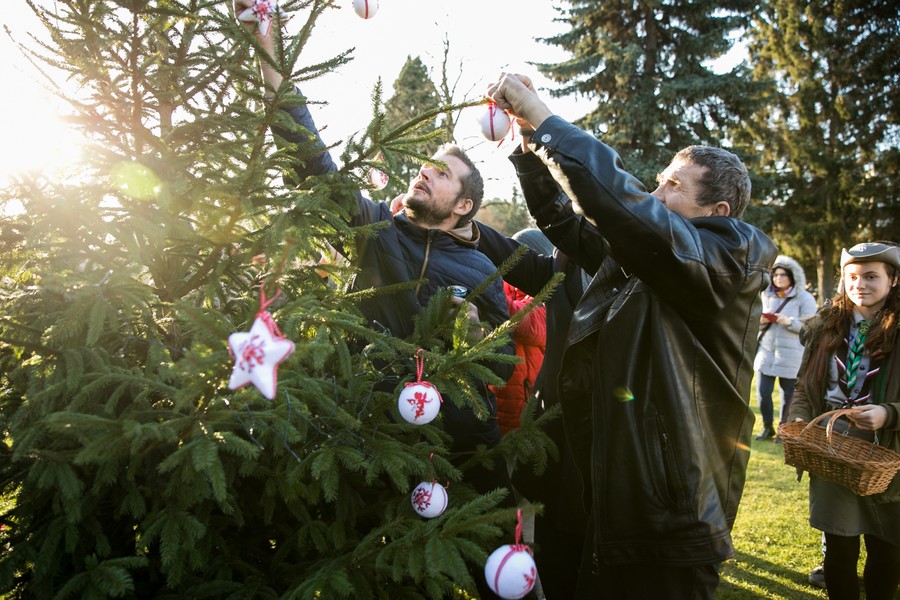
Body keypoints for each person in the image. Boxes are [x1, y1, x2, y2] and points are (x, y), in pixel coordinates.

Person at [484, 73, 778, 599]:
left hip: (672, 519)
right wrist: (530, 151)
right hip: (620, 505)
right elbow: (569, 226)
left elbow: (628, 210)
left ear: (718, 212)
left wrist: (548, 120)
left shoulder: (732, 257)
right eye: (660, 179)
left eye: (674, 185)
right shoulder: (653, 259)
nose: (655, 190)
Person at [233, 2, 515, 489]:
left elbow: (504, 364)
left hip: (464, 455)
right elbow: (312, 163)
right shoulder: (374, 228)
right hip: (377, 444)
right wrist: (267, 46)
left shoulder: (478, 268)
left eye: (443, 173)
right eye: (426, 164)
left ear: (463, 207)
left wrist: (472, 333)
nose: (425, 170)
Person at [787, 242, 900, 600]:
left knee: (886, 554)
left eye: (871, 276)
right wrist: (801, 421)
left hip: (889, 456)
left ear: (893, 280)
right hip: (831, 449)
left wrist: (888, 413)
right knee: (839, 551)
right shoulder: (826, 326)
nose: (859, 285)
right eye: (852, 277)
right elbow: (804, 387)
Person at [489, 228, 550, 437]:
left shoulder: (551, 294)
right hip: (497, 404)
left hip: (530, 407)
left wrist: (487, 295)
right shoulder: (502, 286)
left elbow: (526, 322)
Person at [753, 256, 818, 441]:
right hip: (766, 354)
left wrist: (789, 322)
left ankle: (783, 431)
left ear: (792, 277)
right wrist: (761, 320)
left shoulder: (804, 298)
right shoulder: (765, 295)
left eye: (783, 275)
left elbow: (811, 327)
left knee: (787, 397)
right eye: (776, 274)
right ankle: (767, 427)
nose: (778, 278)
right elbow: (752, 321)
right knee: (763, 394)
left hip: (791, 356)